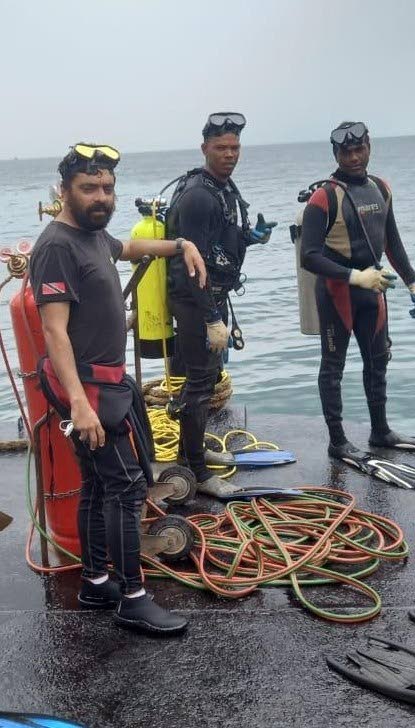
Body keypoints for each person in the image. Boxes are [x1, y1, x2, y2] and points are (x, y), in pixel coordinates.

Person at [29, 142, 206, 635]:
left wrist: (179, 245)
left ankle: (95, 581)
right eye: (89, 188)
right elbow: (54, 332)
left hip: (103, 387)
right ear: (64, 191)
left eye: (107, 188)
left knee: (96, 484)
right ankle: (132, 597)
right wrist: (82, 406)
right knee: (127, 487)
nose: (101, 196)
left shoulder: (95, 237)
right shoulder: (57, 246)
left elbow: (129, 248)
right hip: (87, 392)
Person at [300, 121, 415, 464]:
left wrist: (413, 283)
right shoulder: (324, 197)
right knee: (333, 367)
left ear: (369, 147)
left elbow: (393, 242)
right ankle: (338, 441)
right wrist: (355, 277)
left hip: (373, 291)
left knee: (378, 362)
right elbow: (309, 256)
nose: (354, 157)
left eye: (359, 149)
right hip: (337, 293)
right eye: (346, 152)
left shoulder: (380, 188)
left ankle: (381, 430)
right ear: (336, 154)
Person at [165, 112, 276, 498]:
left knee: (209, 380)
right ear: (204, 149)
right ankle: (196, 472)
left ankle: (190, 452)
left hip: (213, 297)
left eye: (235, 148)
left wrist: (251, 238)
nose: (230, 154)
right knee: (199, 384)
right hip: (196, 301)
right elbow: (192, 261)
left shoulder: (222, 188)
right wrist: (211, 318)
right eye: (221, 148)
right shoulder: (198, 196)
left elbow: (219, 246)